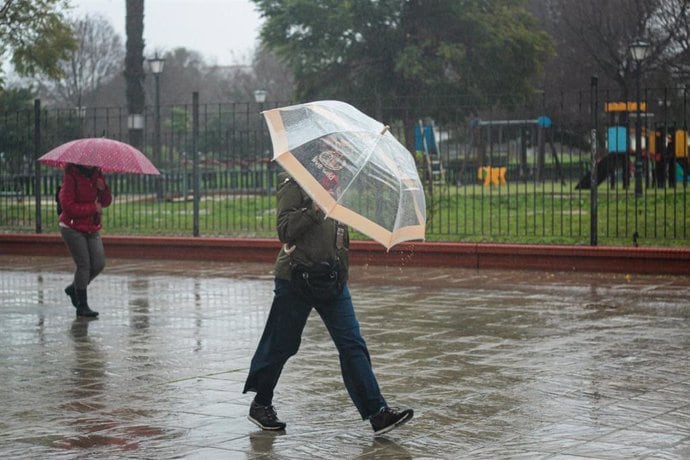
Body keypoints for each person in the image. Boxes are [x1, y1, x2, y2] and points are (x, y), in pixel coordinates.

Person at [243, 169, 413, 436]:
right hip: (296, 278)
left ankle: (378, 413)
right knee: (282, 344)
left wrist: (342, 271)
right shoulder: (294, 179)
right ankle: (261, 403)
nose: (337, 154)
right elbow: (285, 230)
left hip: (331, 279)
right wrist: (316, 206)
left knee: (352, 343)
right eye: (332, 148)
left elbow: (338, 233)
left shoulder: (338, 182)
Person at [58, 163, 112, 318]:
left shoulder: (97, 174)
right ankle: (82, 306)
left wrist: (104, 189)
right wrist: (92, 208)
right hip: (72, 227)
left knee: (98, 263)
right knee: (84, 265)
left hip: (91, 226)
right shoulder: (71, 176)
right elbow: (67, 206)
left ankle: (74, 288)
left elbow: (106, 202)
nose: (91, 163)